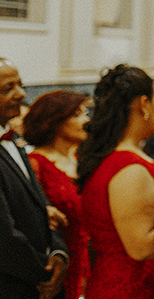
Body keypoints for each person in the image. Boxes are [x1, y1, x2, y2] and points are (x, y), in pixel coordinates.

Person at [77, 65, 154, 299]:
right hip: (132, 288)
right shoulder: (129, 168)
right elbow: (141, 244)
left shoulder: (117, 156)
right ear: (144, 105)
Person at [0, 58, 68, 299]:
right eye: (8, 88)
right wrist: (44, 273)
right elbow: (4, 237)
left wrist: (59, 253)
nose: (21, 94)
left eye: (20, 85)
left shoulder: (14, 140)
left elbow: (41, 204)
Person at [24, 91, 91, 299]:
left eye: (86, 112)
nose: (86, 119)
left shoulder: (80, 158)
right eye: (77, 114)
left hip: (87, 263)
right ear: (55, 121)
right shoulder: (36, 163)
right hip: (56, 265)